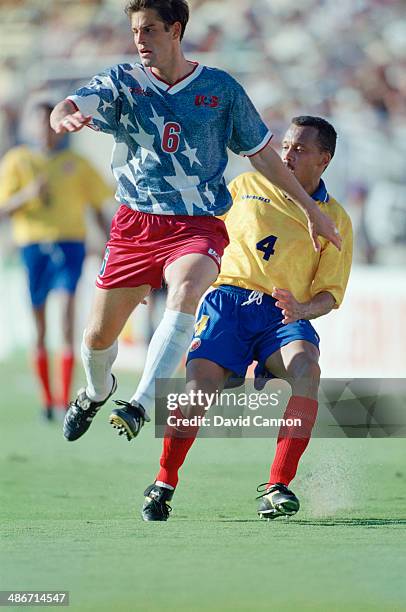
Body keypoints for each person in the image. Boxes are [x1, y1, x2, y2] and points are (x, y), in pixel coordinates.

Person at [50, 0, 341, 444]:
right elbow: (71, 102)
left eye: (149, 30)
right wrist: (62, 115)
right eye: (135, 31)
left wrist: (310, 208)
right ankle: (95, 391)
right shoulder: (122, 81)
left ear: (175, 30)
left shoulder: (221, 90)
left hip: (196, 223)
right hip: (135, 224)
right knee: (96, 338)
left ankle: (141, 403)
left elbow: (261, 152)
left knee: (187, 289)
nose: (140, 40)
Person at [141, 116, 353, 521]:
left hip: (282, 314)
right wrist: (154, 277)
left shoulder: (336, 219)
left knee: (307, 370)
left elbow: (330, 294)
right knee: (197, 392)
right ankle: (164, 482)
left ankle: (277, 486)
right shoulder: (244, 187)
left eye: (300, 149)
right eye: (286, 145)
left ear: (324, 160)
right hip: (227, 303)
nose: (287, 155)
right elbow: (194, 237)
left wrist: (303, 310)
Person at [0, 98, 112, 420]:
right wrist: (27, 195)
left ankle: (64, 400)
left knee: (65, 314)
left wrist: (109, 243)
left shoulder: (77, 162)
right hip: (32, 246)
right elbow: (3, 208)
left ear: (60, 128)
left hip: (69, 245)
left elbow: (98, 206)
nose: (44, 130)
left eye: (49, 123)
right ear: (29, 126)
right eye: (37, 122)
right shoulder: (17, 161)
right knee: (38, 326)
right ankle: (46, 401)